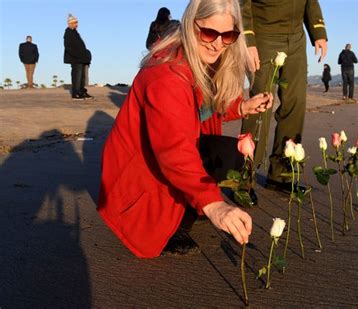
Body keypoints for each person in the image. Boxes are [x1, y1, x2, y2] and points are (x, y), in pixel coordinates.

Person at [97, 0, 273, 258]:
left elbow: (204, 108)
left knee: (230, 155)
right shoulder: (166, 76)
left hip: (168, 154)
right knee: (203, 168)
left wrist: (243, 107)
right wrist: (214, 204)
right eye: (209, 33)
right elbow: (174, 151)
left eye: (228, 35)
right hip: (138, 177)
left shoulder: (198, 61)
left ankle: (186, 206)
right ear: (191, 26)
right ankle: (173, 225)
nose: (217, 43)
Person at [240, 0, 328, 193]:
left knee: (295, 105)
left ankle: (281, 175)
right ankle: (245, 179)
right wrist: (248, 40)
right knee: (260, 105)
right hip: (263, 37)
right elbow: (242, 3)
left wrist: (318, 31)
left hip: (296, 39)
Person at [63, 14, 93, 100]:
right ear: (70, 23)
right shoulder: (68, 33)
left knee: (82, 76)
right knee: (77, 76)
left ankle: (82, 91)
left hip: (82, 59)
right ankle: (75, 93)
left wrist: (86, 54)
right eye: (75, 22)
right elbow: (68, 47)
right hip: (76, 59)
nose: (77, 24)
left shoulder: (75, 32)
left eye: (77, 22)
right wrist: (77, 56)